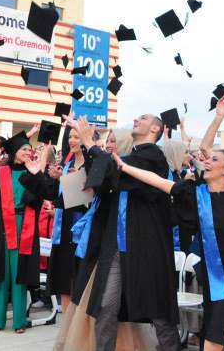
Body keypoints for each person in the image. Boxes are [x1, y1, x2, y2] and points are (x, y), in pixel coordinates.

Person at [115, 142, 224, 351]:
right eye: (207, 159)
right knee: (215, 329)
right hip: (221, 277)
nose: (207, 161)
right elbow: (159, 182)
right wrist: (124, 167)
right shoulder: (197, 195)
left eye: (214, 159)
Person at [67, 113, 180, 351]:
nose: (136, 119)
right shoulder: (131, 157)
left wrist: (89, 142)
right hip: (117, 244)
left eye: (143, 118)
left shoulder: (153, 157)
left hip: (146, 244)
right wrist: (85, 150)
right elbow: (103, 179)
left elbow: (117, 169)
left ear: (156, 128)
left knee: (158, 308)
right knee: (106, 305)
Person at [0, 133, 53, 333]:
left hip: (24, 225)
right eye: (24, 149)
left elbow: (46, 192)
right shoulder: (1, 172)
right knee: (2, 273)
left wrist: (38, 173)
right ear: (14, 153)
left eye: (30, 149)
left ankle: (19, 321)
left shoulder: (32, 172)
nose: (28, 152)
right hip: (2, 225)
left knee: (19, 274)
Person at [48, 122, 90, 313]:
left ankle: (79, 330)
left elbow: (91, 202)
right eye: (70, 137)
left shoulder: (92, 166)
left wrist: (78, 183)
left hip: (82, 231)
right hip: (64, 229)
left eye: (76, 136)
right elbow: (61, 198)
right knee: (64, 282)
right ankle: (66, 327)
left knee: (81, 282)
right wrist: (58, 179)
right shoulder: (68, 166)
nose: (72, 140)